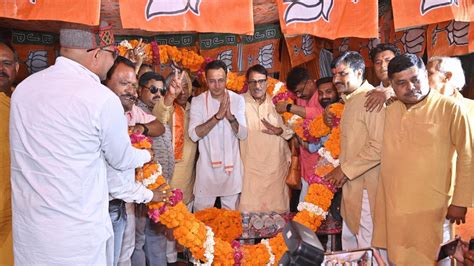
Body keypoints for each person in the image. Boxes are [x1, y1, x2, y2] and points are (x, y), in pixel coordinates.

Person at [9, 23, 153, 265]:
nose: (113, 61)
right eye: (113, 54)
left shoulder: (24, 89)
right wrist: (145, 154)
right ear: (97, 55)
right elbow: (121, 159)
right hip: (76, 235)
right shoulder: (100, 98)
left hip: (31, 232)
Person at [372, 53, 473, 265]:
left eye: (416, 79)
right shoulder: (390, 109)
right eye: (402, 83)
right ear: (391, 84)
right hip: (394, 207)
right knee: (397, 258)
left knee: (435, 258)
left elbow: (468, 156)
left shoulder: (450, 108)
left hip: (433, 208)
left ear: (426, 76)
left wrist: (460, 201)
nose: (411, 87)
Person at [104, 57, 168, 265]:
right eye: (124, 84)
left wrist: (142, 128)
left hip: (128, 201)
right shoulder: (100, 114)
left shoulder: (131, 110)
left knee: (126, 252)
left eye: (132, 84)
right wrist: (146, 156)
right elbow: (116, 174)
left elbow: (159, 126)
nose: (130, 90)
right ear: (105, 81)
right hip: (105, 205)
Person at [324, 51, 384, 252]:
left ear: (359, 72)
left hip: (367, 187)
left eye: (342, 74)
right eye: (334, 75)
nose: (336, 80)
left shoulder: (371, 98)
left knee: (367, 248)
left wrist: (344, 170)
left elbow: (378, 145)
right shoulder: (349, 100)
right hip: (351, 186)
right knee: (351, 248)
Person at [132, 71, 180, 266]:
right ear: (140, 90)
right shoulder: (135, 114)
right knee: (138, 240)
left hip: (161, 187)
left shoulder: (159, 113)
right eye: (153, 89)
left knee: (158, 236)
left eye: (162, 90)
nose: (158, 94)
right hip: (142, 188)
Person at [188, 60, 247, 211]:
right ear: (205, 81)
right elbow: (194, 135)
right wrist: (217, 117)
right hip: (206, 172)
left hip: (231, 171)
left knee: (231, 222)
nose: (217, 85)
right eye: (212, 81)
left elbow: (243, 134)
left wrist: (230, 117)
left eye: (221, 80)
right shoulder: (198, 101)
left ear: (227, 78)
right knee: (200, 222)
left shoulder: (237, 100)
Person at [239, 64, 292, 213]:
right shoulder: (238, 102)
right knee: (248, 215)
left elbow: (293, 131)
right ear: (247, 83)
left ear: (267, 82)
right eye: (253, 82)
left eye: (261, 81)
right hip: (249, 168)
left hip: (275, 168)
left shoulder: (279, 102)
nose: (257, 86)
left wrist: (280, 130)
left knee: (278, 213)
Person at [275, 67, 324, 200]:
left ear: (309, 82)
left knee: (314, 207)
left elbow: (319, 114)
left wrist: (289, 107)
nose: (299, 96)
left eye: (300, 92)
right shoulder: (301, 96)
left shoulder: (323, 92)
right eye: (296, 94)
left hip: (321, 163)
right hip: (305, 161)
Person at [0, 41, 19, 266]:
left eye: (6, 63)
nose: (1, 69)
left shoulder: (24, 101)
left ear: (17, 67)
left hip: (16, 202)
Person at [365, 43, 401, 110]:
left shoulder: (407, 89)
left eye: (388, 60)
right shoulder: (372, 93)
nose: (383, 65)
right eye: (378, 62)